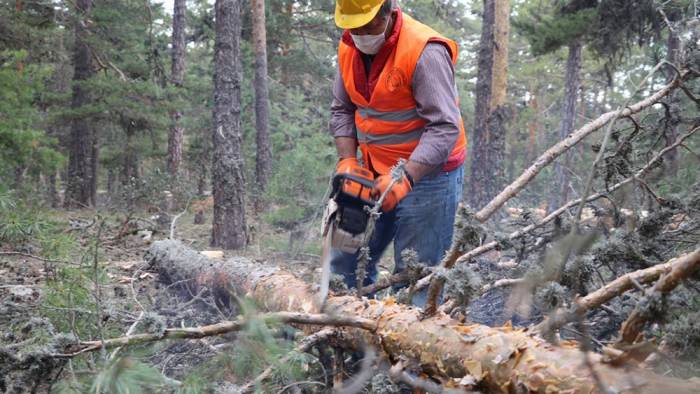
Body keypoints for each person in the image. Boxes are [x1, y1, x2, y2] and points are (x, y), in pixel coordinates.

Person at [329, 0, 467, 304]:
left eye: (368, 25)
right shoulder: (348, 47)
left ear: (390, 12)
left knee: (415, 276)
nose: (361, 33)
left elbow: (444, 127)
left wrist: (406, 177)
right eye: (354, 26)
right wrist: (348, 160)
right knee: (344, 263)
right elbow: (341, 109)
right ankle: (342, 333)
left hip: (429, 176)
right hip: (372, 170)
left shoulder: (424, 52)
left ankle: (406, 341)